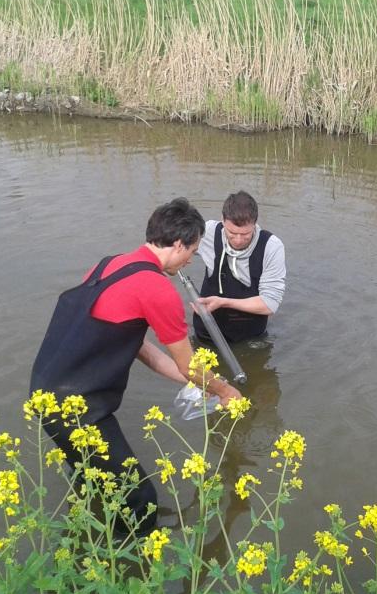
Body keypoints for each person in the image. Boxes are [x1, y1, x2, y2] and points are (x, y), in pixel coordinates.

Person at [29, 197, 241, 534]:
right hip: (78, 408)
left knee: (91, 477)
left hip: (44, 391)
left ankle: (89, 541)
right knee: (140, 498)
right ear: (177, 244)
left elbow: (144, 350)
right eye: (192, 251)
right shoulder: (157, 288)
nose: (190, 260)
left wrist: (196, 385)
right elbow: (190, 366)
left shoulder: (109, 265)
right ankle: (134, 568)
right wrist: (226, 390)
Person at [194, 191, 286, 343]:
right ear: (222, 220)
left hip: (250, 340)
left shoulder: (272, 247)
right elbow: (174, 246)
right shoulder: (208, 232)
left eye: (245, 234)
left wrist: (224, 302)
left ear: (255, 223)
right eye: (232, 232)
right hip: (206, 334)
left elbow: (269, 304)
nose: (238, 240)